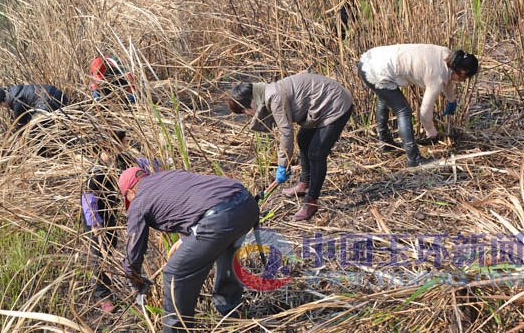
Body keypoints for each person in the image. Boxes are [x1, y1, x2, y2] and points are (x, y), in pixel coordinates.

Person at [119, 167, 259, 332]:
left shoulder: (138, 201)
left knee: (174, 274)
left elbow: (133, 251)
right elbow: (199, 199)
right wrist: (187, 238)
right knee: (226, 252)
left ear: (130, 193)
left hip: (220, 219)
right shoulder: (169, 175)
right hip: (246, 204)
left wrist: (134, 280)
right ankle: (233, 315)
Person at [228, 72, 353, 221]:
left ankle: (311, 201)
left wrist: (283, 164)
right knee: (303, 139)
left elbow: (286, 133)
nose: (247, 114)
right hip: (320, 106)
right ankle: (305, 183)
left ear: (251, 101)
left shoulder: (273, 96)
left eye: (244, 111)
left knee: (316, 153)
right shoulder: (265, 93)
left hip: (335, 104)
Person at [358, 44, 478, 167]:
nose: (463, 81)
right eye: (465, 78)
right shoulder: (436, 77)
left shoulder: (448, 55)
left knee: (385, 99)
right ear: (462, 72)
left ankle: (386, 144)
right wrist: (431, 132)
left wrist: (451, 99)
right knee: (403, 111)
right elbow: (425, 113)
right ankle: (413, 158)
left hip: (373, 57)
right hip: (376, 70)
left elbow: (447, 77)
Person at [82, 130, 132, 313]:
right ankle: (104, 297)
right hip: (96, 218)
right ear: (112, 144)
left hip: (110, 213)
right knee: (100, 255)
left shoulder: (119, 161)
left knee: (110, 248)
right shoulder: (96, 172)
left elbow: (138, 167)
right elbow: (89, 200)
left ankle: (110, 287)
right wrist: (96, 225)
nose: (126, 142)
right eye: (123, 140)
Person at [0, 84, 68, 129]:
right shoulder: (15, 91)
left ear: (4, 99)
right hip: (59, 95)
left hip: (50, 102)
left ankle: (42, 153)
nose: (3, 107)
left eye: (1, 105)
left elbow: (21, 124)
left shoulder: (16, 102)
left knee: (35, 130)